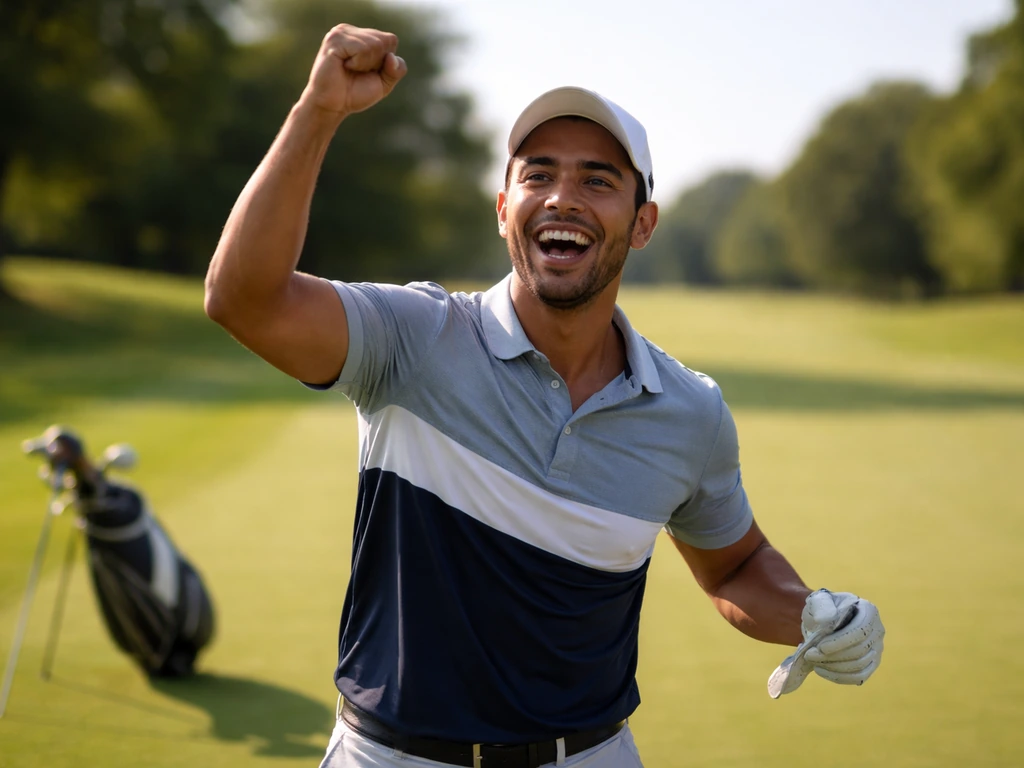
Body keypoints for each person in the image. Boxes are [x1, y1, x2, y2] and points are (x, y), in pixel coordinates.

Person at [204, 23, 886, 768]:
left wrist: (810, 613)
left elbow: (732, 566)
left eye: (598, 179)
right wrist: (318, 111)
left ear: (643, 222)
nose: (563, 197)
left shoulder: (690, 411)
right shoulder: (415, 337)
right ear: (504, 209)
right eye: (538, 175)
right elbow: (245, 298)